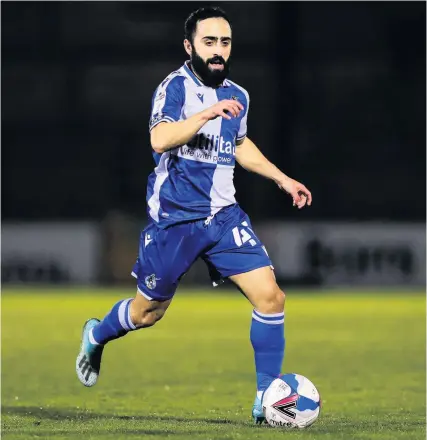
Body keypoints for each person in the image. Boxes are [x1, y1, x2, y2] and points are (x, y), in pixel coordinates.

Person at [76, 6, 312, 424]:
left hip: (224, 218)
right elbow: (160, 136)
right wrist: (204, 114)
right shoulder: (175, 89)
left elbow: (238, 144)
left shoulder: (238, 94)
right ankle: (97, 333)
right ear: (189, 46)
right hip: (175, 222)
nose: (219, 50)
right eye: (209, 42)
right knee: (147, 313)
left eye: (225, 42)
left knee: (271, 297)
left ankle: (266, 398)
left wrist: (282, 178)